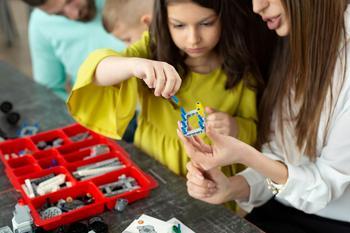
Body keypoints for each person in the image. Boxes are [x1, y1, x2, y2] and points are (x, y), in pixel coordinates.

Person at [67, 0, 272, 214]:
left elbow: (255, 132)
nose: (193, 38)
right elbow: (97, 71)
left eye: (206, 23)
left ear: (223, 18)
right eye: (179, 25)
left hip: (211, 178)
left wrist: (234, 127)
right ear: (163, 23)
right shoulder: (151, 49)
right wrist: (135, 65)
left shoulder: (241, 68)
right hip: (152, 162)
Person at [179, 0, 350, 232]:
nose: (257, 7)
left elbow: (324, 187)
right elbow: (280, 159)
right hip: (278, 206)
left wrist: (245, 155)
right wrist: (230, 187)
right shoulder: (293, 42)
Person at [22, 0, 125, 100]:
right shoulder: (41, 22)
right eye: (59, 13)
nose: (74, 15)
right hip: (95, 111)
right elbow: (49, 91)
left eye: (70, 0)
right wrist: (81, 113)